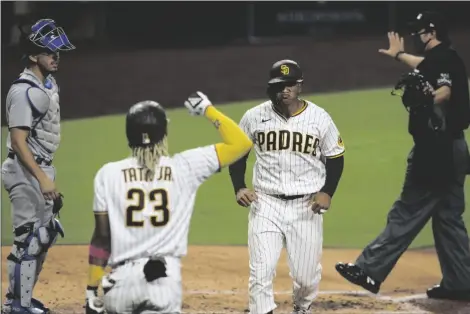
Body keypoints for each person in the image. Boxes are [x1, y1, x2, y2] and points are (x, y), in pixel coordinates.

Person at [335, 11, 470, 301]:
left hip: (436, 150)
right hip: (456, 149)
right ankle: (462, 282)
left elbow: (443, 91)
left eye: (419, 32)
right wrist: (399, 56)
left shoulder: (443, 60)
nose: (415, 37)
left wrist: (427, 97)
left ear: (432, 32)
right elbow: (427, 66)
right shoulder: (446, 58)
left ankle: (369, 268)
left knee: (408, 211)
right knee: (448, 219)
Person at [83, 92, 253, 314]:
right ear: (164, 133)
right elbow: (241, 143)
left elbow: (102, 239)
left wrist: (91, 289)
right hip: (163, 283)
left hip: (120, 285)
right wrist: (206, 109)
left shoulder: (108, 174)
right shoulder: (186, 167)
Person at [228, 59, 345, 314]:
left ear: (299, 86)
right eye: (280, 85)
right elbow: (237, 153)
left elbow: (335, 156)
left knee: (305, 278)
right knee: (261, 271)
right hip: (265, 203)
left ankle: (302, 308)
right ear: (272, 87)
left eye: (290, 84)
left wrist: (327, 191)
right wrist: (239, 186)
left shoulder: (319, 117)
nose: (285, 90)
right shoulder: (254, 116)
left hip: (306, 205)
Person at [1, 18, 75, 314]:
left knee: (45, 236)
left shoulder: (48, 83)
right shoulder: (23, 91)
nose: (56, 57)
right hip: (24, 172)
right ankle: (16, 306)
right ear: (33, 55)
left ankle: (20, 298)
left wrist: (47, 175)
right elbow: (19, 142)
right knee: (28, 240)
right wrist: (43, 178)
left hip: (42, 169)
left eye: (57, 52)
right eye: (49, 52)